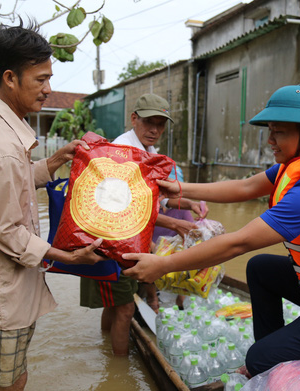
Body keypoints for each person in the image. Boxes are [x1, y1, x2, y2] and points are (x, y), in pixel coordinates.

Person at [122, 84, 300, 377]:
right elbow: (245, 187)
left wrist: (163, 265)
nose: (270, 140)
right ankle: (276, 346)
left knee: (257, 358)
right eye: (270, 130)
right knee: (260, 268)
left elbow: (239, 243)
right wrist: (179, 188)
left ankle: (268, 356)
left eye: (278, 132)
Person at [0, 23, 105, 391]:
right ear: (10, 78)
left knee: (1, 376)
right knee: (10, 381)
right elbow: (5, 230)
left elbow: (13, 186)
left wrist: (53, 162)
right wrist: (67, 258)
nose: (48, 89)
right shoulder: (3, 149)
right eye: (40, 79)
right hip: (1, 293)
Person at [79, 93, 208, 356]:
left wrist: (189, 204)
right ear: (134, 119)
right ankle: (118, 370)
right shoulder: (122, 152)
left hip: (126, 241)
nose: (155, 130)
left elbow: (154, 202)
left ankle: (107, 348)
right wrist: (175, 225)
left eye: (161, 124)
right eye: (150, 122)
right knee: (125, 308)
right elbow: (123, 208)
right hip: (111, 240)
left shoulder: (148, 151)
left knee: (114, 303)